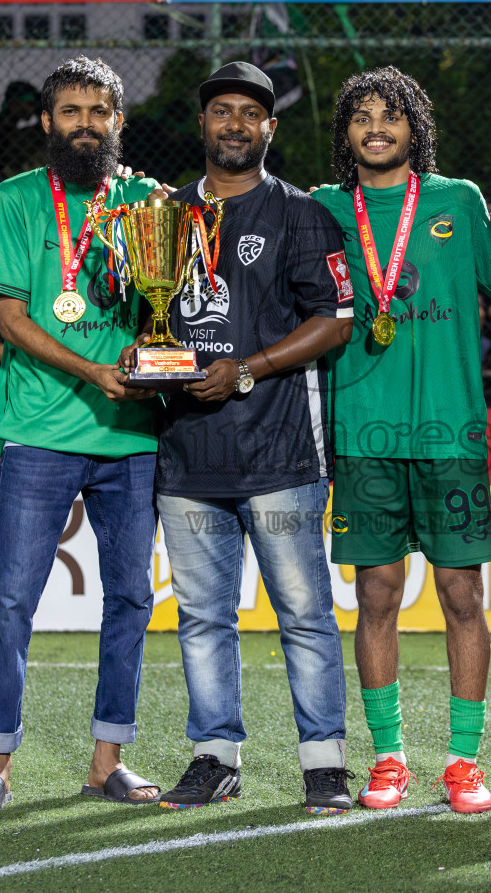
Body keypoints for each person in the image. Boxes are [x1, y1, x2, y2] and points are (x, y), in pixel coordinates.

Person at [0, 58, 161, 813]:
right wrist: (95, 370)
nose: (84, 125)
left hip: (132, 433)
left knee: (132, 596)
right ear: (47, 122)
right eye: (69, 111)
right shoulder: (15, 200)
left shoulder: (145, 200)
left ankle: (107, 760)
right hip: (39, 431)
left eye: (98, 112)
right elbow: (10, 320)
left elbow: (169, 303)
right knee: (11, 597)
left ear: (117, 121)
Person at [151, 62, 355, 814]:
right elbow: (145, 320)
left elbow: (337, 317)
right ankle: (215, 757)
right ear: (202, 125)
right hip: (186, 455)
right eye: (221, 112)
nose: (234, 125)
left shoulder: (299, 214)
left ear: (270, 128)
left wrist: (249, 368)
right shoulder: (164, 215)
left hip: (279, 454)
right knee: (203, 617)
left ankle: (324, 764)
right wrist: (152, 368)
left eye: (249, 114)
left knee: (302, 612)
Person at [309, 67, 491, 814]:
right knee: (378, 594)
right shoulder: (324, 208)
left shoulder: (458, 201)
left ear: (414, 127)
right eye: (361, 115)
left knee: (462, 593)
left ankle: (463, 760)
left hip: (450, 433)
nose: (377, 126)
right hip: (364, 434)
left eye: (392, 114)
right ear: (345, 133)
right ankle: (388, 757)